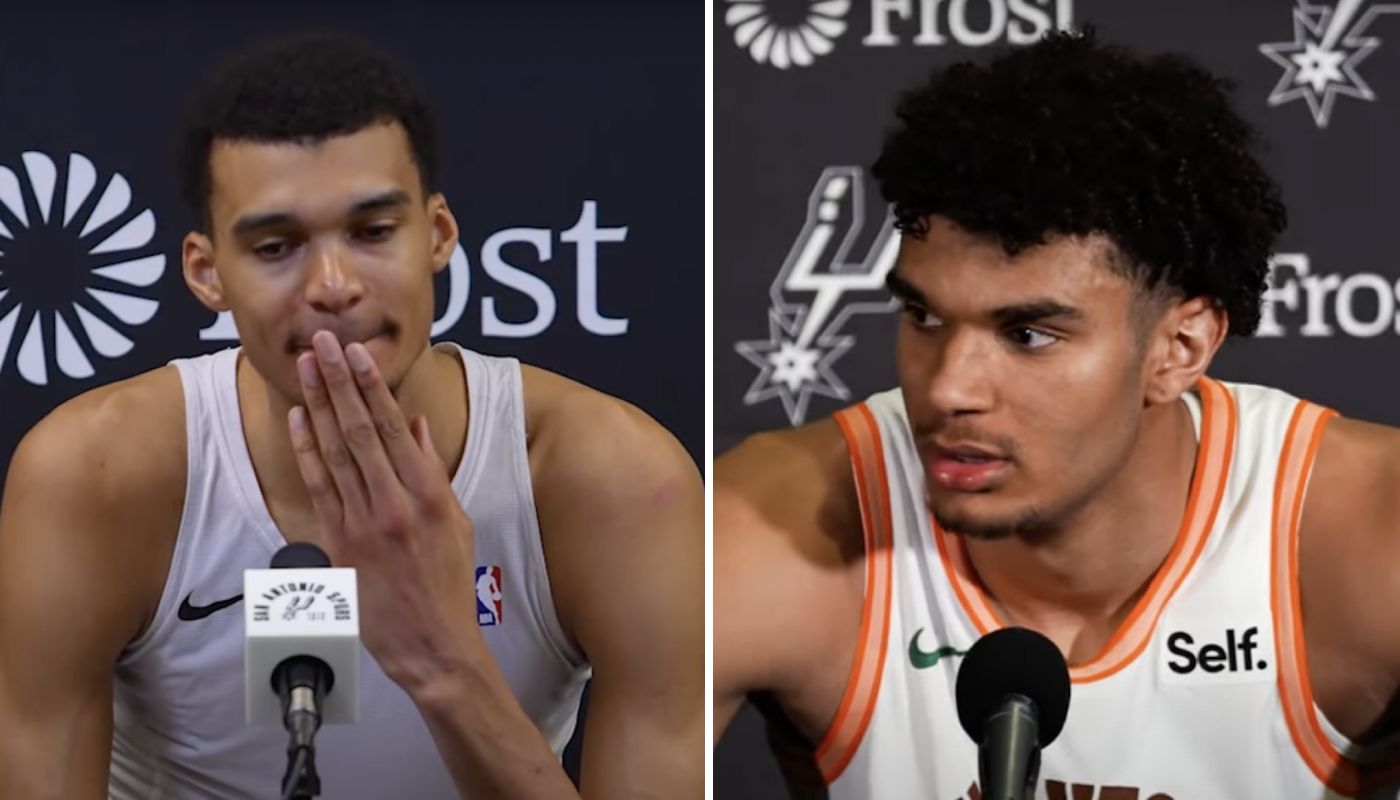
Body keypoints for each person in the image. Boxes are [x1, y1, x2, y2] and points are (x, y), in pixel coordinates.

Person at [0, 34, 702, 799]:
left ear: (437, 235)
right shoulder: (97, 474)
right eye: (277, 246)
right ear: (207, 274)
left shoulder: (612, 478)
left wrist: (442, 661)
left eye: (372, 233)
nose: (334, 285)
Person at [715, 29, 1400, 799]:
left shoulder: (1367, 534)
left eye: (1029, 334)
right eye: (925, 316)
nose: (948, 390)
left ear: (1180, 347)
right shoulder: (771, 525)